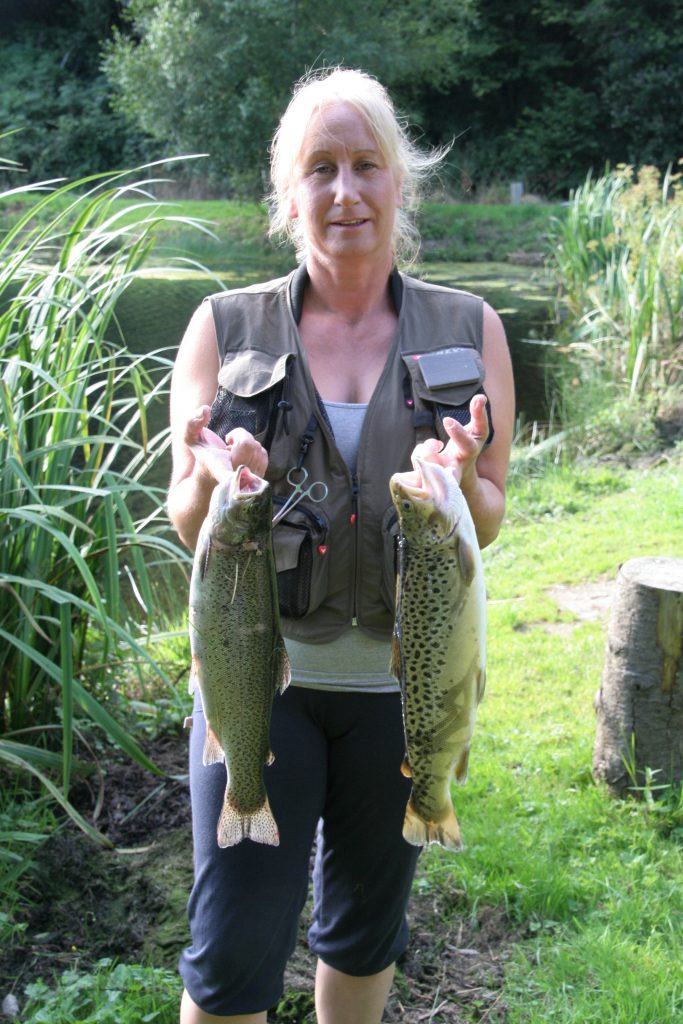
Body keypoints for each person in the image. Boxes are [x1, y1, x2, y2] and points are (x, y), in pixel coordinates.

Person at [168, 67, 514, 1024]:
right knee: (233, 945)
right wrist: (210, 472)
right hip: (253, 684)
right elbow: (188, 522)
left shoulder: (471, 327)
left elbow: (487, 514)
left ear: (399, 183)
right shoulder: (221, 326)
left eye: (366, 165)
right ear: (288, 195)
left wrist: (463, 475)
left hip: (406, 696)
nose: (345, 191)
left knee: (364, 931)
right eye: (320, 169)